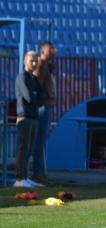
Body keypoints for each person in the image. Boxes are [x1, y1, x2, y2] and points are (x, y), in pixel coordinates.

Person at [14, 51, 47, 188]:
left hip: (34, 117)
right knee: (24, 147)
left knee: (30, 149)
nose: (34, 63)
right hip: (25, 117)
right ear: (25, 61)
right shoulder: (22, 77)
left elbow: (43, 95)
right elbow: (28, 97)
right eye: (31, 61)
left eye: (35, 61)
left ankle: (25, 177)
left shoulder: (33, 79)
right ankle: (19, 178)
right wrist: (35, 95)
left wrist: (36, 95)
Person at [31, 41, 57, 187]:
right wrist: (45, 98)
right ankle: (38, 174)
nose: (53, 53)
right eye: (50, 51)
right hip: (44, 107)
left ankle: (40, 173)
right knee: (40, 141)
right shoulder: (40, 67)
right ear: (42, 52)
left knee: (41, 141)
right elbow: (37, 87)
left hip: (47, 105)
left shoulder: (46, 67)